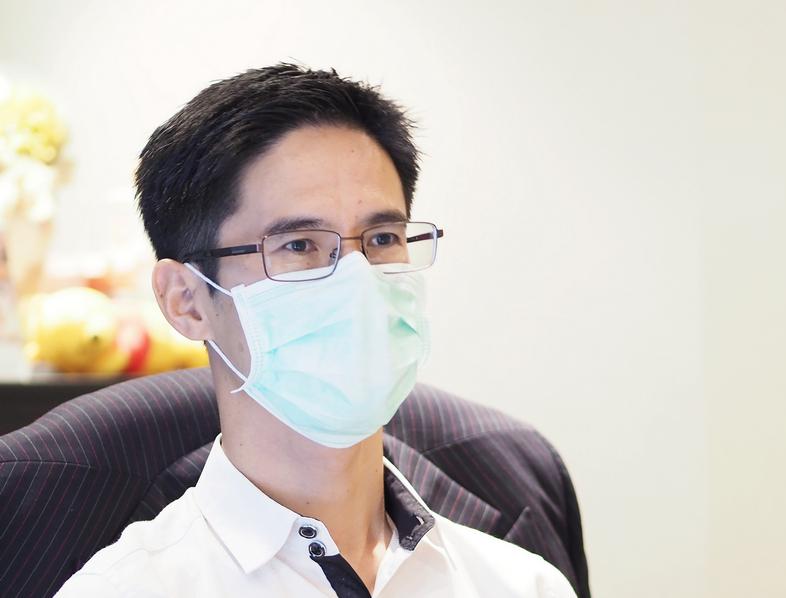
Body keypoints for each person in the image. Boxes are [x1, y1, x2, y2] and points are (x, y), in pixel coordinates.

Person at [56, 63, 577, 597]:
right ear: (186, 301)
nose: (358, 281)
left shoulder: (524, 585)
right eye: (300, 245)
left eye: (382, 239)